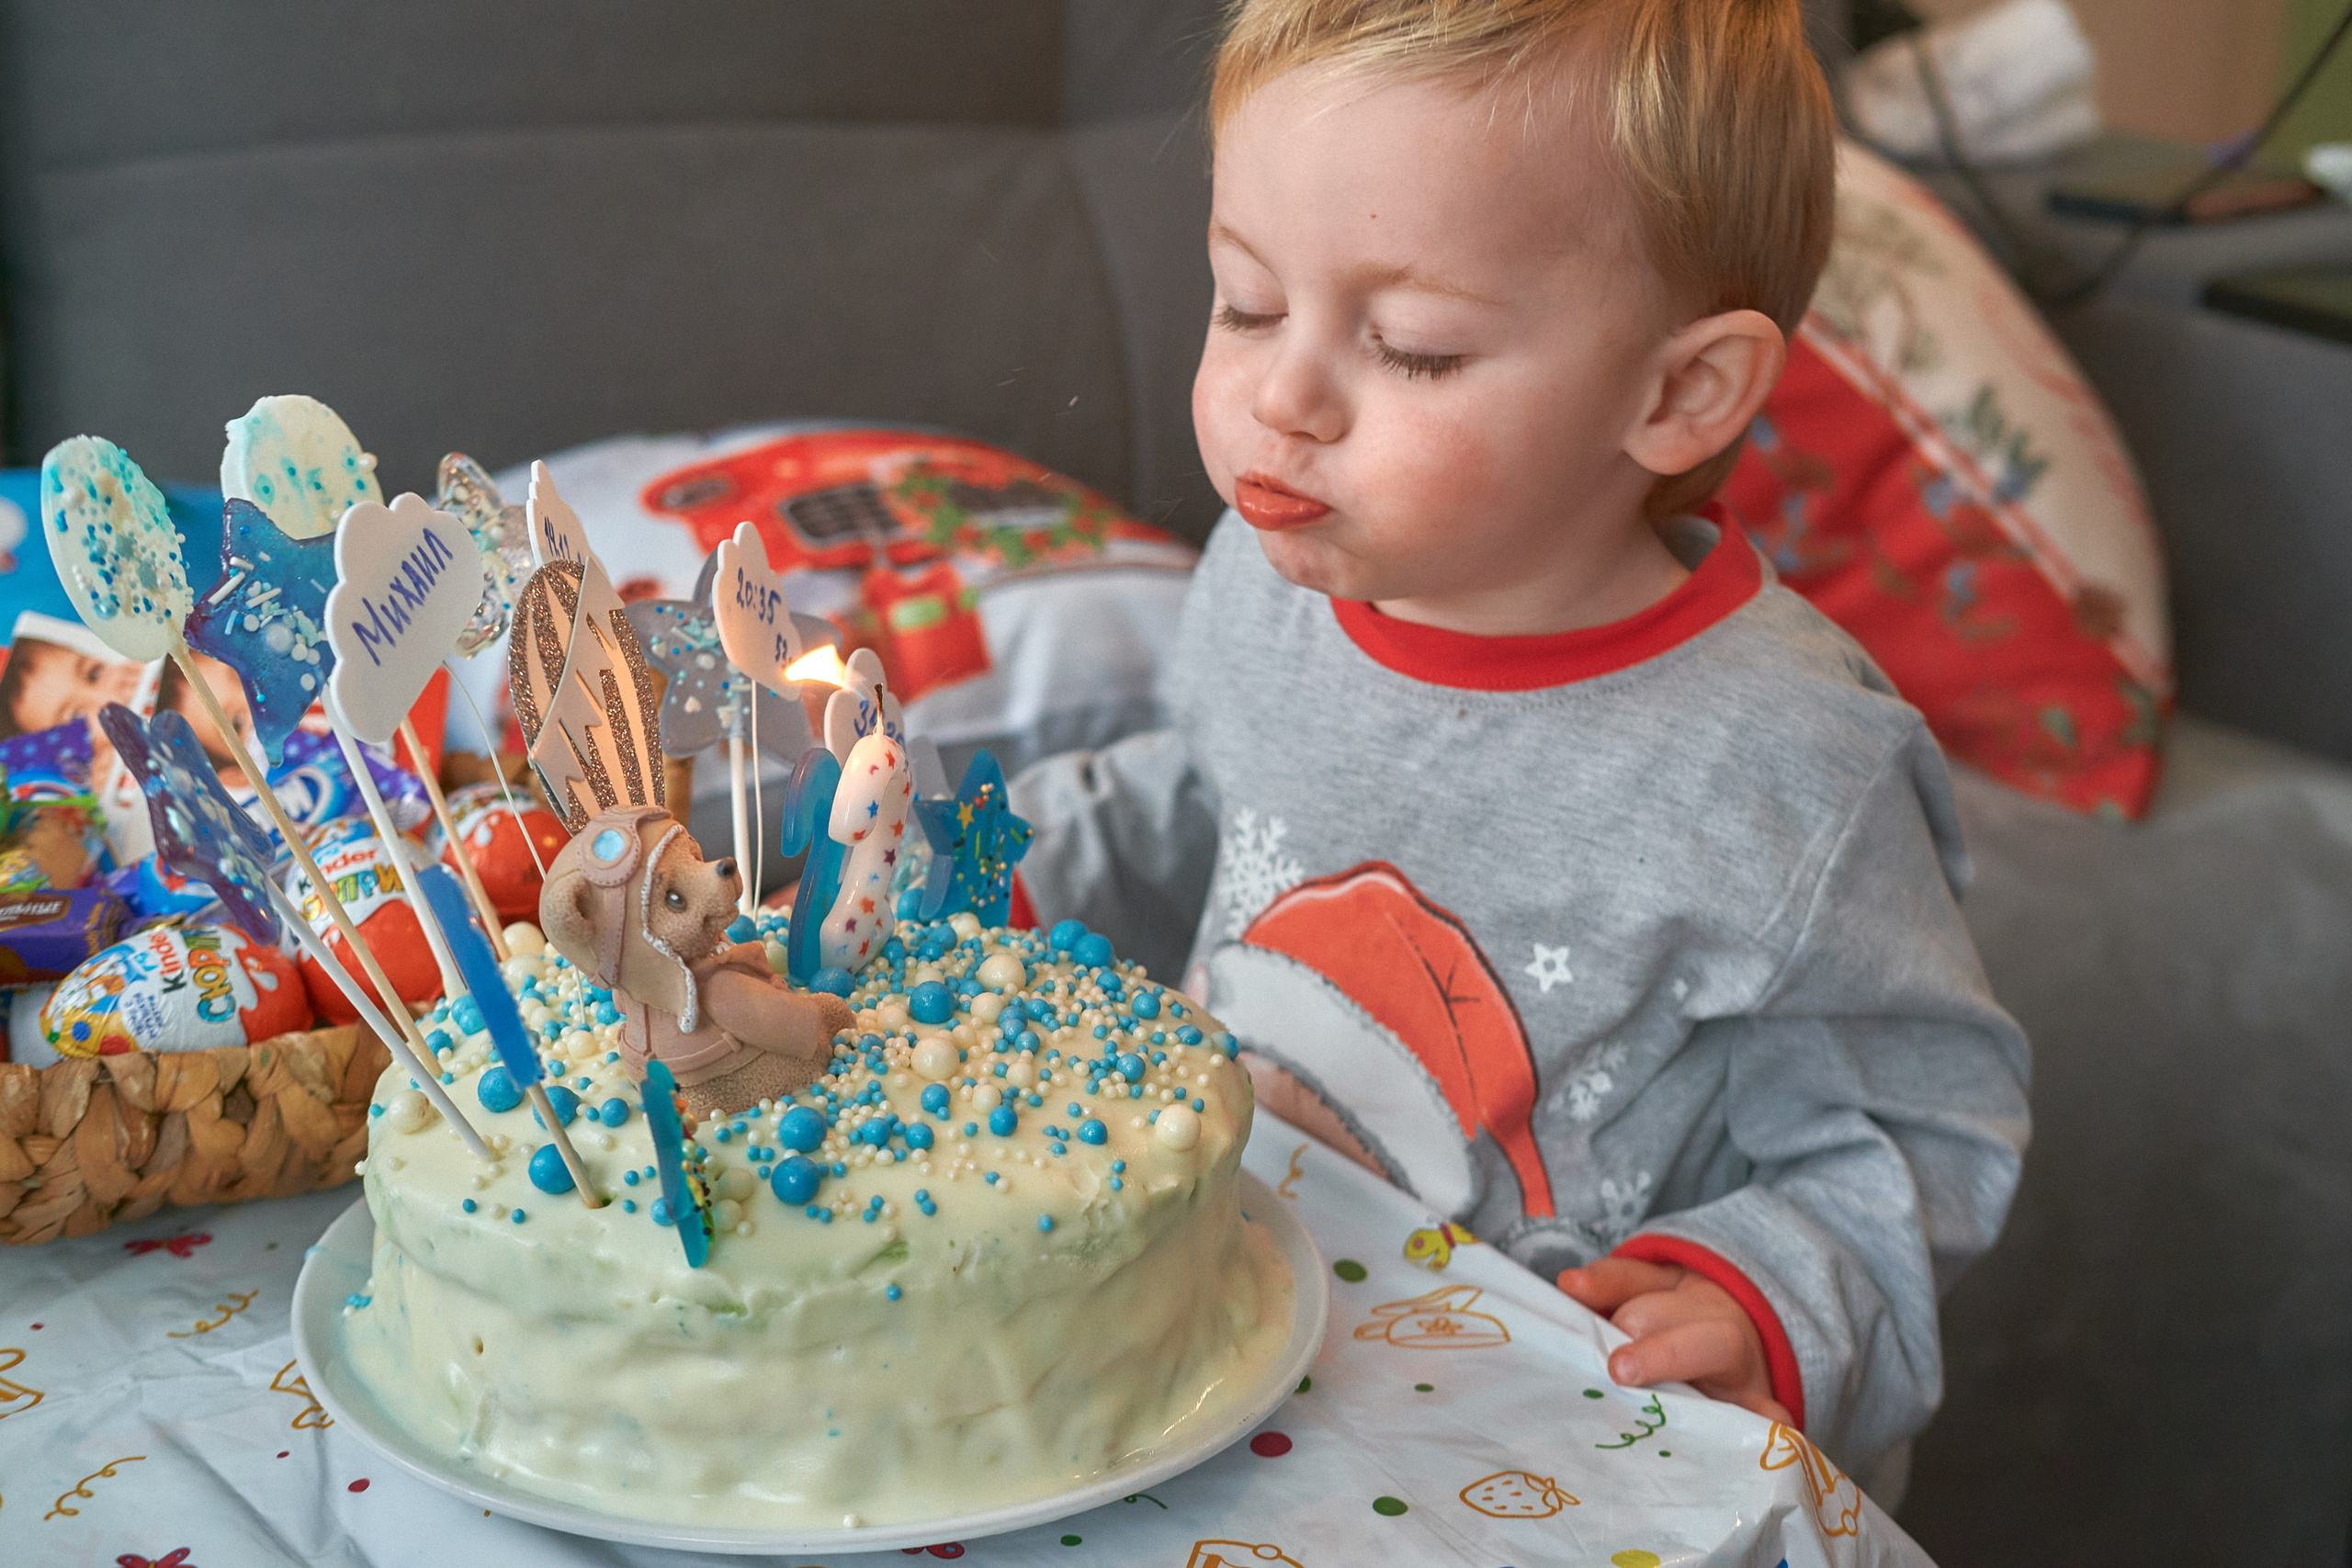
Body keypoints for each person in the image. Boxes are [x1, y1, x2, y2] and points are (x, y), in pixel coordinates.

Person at [1010, 0, 2029, 1495]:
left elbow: (1921, 1125)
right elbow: (1207, 805)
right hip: (1240, 1347)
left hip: (1562, 1453)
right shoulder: (1265, 575)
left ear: (1678, 393)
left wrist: (1762, 1298)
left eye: (1412, 349)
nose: (1281, 399)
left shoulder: (1790, 764)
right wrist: (988, 872)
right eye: (1246, 303)